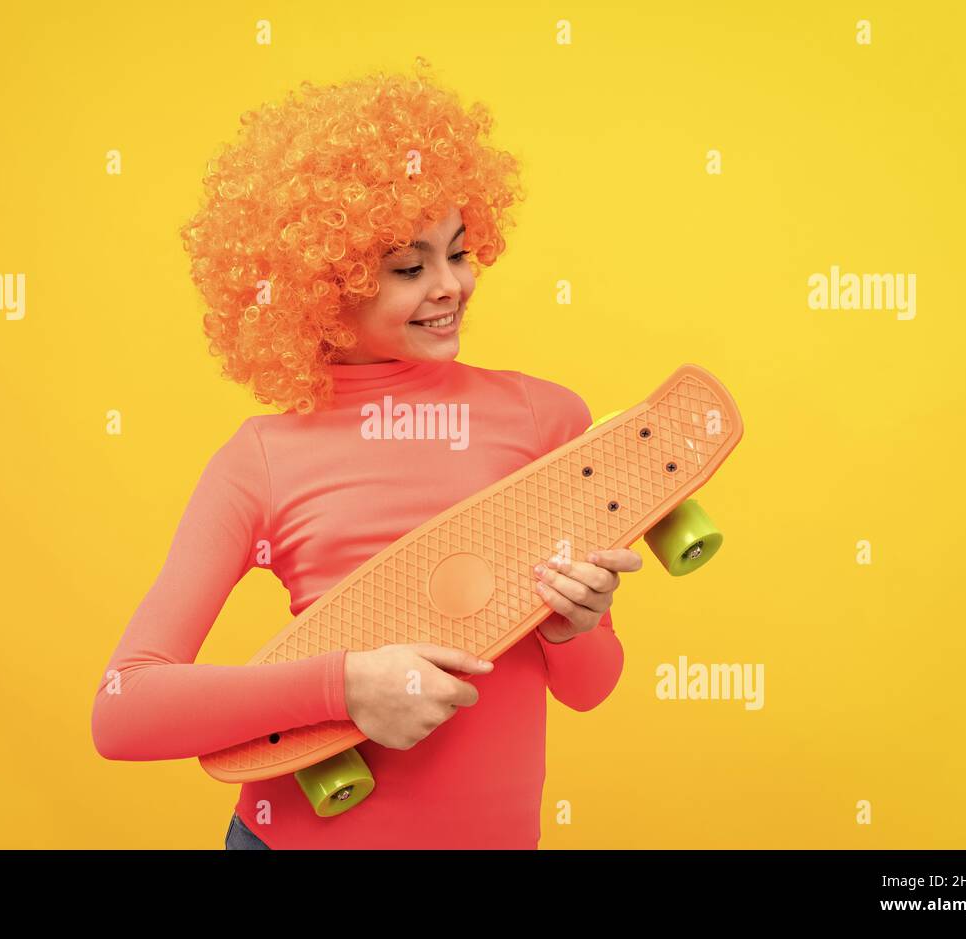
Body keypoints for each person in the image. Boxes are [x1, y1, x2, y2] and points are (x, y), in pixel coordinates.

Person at [91, 58, 635, 849]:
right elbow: (123, 707)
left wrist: (571, 625)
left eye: (459, 250)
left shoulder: (542, 417)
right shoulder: (262, 459)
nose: (450, 285)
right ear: (323, 284)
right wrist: (345, 687)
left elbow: (592, 688)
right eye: (409, 268)